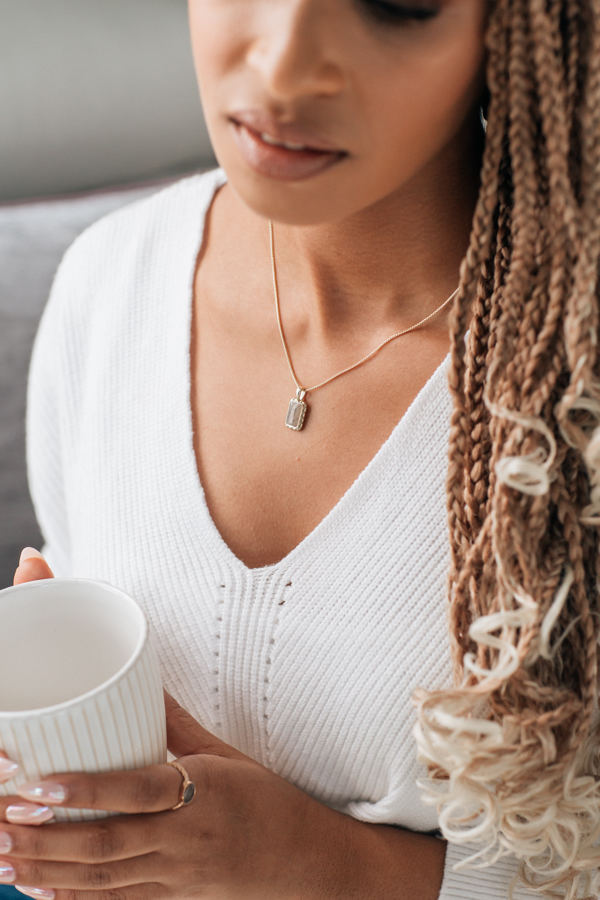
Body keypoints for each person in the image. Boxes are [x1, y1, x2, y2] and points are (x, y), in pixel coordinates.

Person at [1, 0, 599, 897]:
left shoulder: (572, 389)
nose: (282, 69)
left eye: (396, 6)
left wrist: (319, 863)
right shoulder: (110, 279)